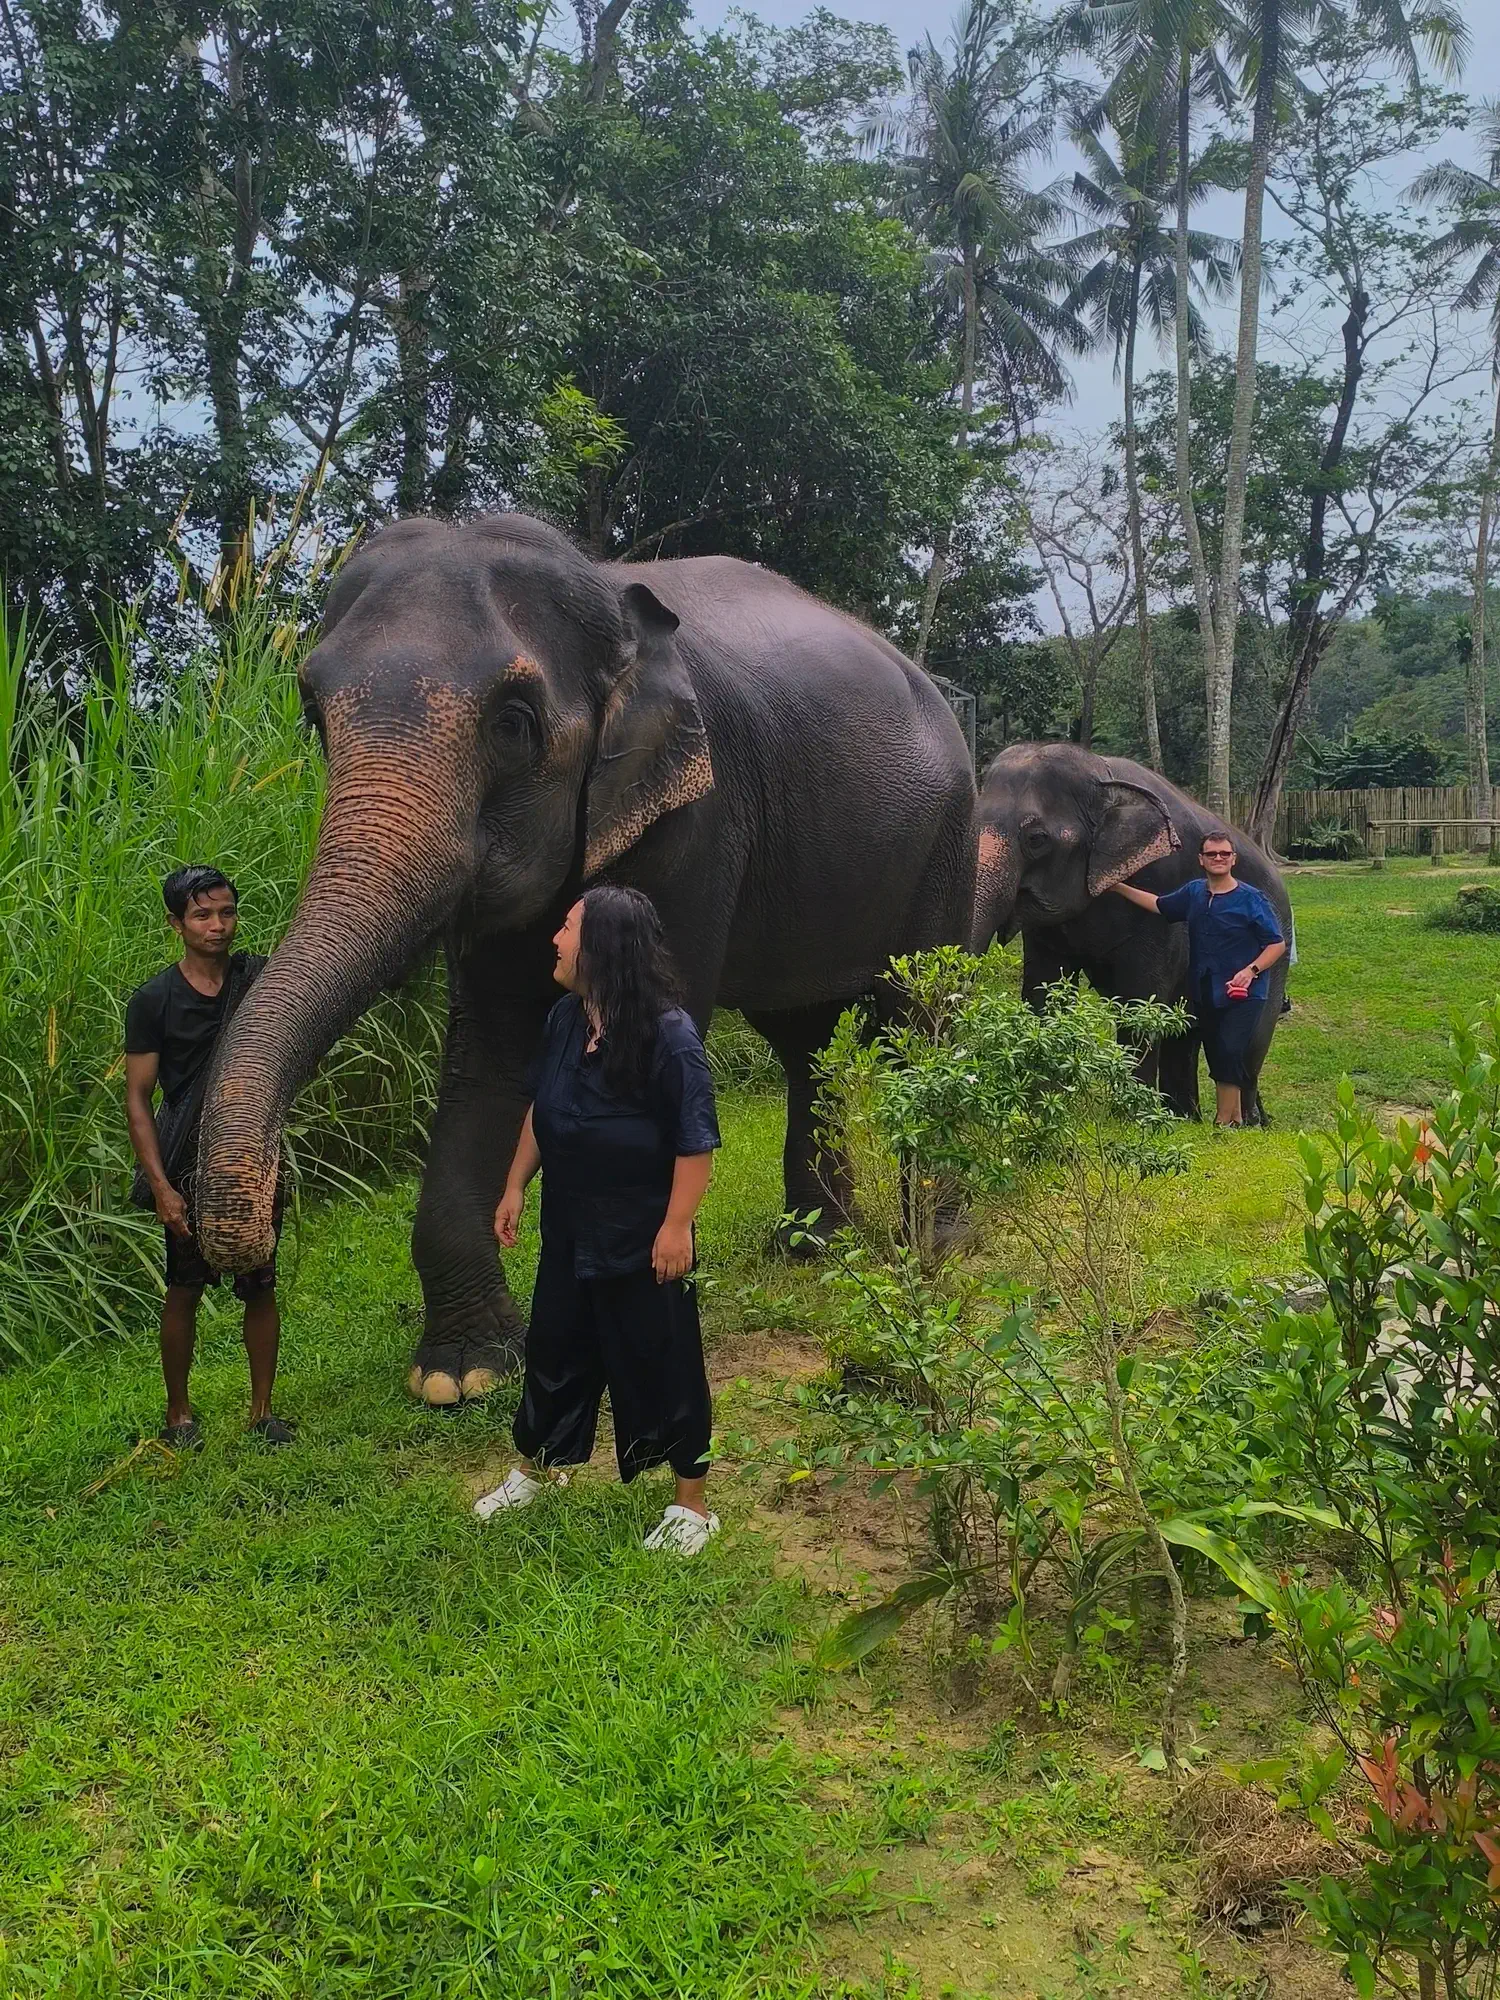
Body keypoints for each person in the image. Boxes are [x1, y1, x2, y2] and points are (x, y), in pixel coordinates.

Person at [474, 885, 722, 1555]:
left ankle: (692, 1505)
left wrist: (677, 1226)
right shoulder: (565, 1019)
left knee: (663, 1358)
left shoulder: (669, 1036)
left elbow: (695, 1141)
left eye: (568, 927)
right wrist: (515, 1185)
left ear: (603, 948)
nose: (555, 939)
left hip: (643, 1236)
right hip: (569, 1226)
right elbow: (543, 1108)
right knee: (556, 1349)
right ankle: (538, 1470)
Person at [124, 866, 293, 1448]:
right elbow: (139, 1100)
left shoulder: (259, 981)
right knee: (184, 1289)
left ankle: (262, 1412)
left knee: (260, 1283)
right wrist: (162, 1187)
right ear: (176, 924)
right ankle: (179, 1416)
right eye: (202, 915)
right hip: (187, 1161)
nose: (217, 926)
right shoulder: (154, 1000)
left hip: (252, 1155)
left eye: (226, 912)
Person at [1109, 833, 1287, 1128]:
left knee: (1230, 1049)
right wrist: (1118, 887)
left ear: (1233, 859)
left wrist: (1250, 971)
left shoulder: (1251, 898)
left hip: (1245, 991)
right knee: (1218, 1052)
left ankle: (1223, 1121)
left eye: (1224, 854)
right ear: (1201, 860)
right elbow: (1159, 905)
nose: (1219, 858)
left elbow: (1276, 944)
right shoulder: (1194, 893)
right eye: (1212, 854)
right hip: (1206, 988)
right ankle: (1236, 1118)